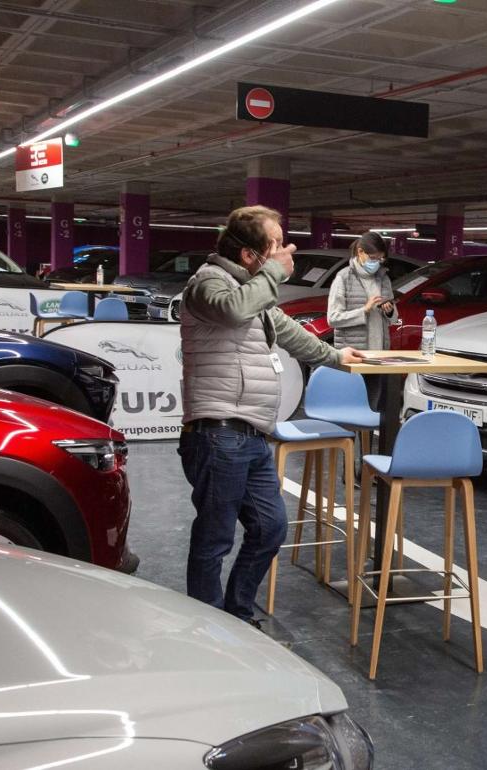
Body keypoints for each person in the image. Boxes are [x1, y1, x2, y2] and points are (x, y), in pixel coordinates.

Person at [178, 205, 364, 629]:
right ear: (249, 254)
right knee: (214, 538)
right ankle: (210, 631)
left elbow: (292, 334)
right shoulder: (208, 283)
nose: (285, 251)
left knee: (269, 528)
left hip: (253, 434)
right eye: (276, 244)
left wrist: (338, 357)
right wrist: (274, 273)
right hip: (218, 433)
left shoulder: (254, 293)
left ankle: (238, 615)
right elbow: (231, 310)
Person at [326, 230, 400, 408]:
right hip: (354, 356)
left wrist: (389, 311)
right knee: (349, 407)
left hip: (378, 356)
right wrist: (364, 310)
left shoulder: (384, 279)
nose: (377, 263)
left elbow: (394, 319)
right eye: (373, 258)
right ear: (360, 252)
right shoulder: (344, 278)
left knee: (374, 408)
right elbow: (333, 318)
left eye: (380, 259)